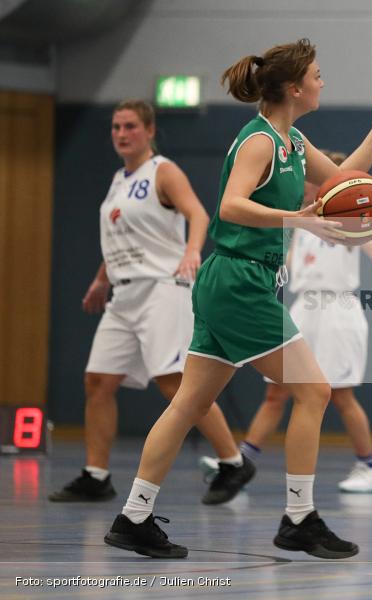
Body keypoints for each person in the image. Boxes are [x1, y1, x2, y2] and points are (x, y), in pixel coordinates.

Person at [103, 39, 372, 560]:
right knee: (314, 390)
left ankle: (133, 516)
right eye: (317, 74)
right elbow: (231, 205)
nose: (322, 81)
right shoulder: (260, 142)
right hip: (239, 279)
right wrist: (298, 218)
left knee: (190, 403)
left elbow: (342, 180)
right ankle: (299, 517)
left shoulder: (291, 141)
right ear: (294, 88)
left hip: (238, 280)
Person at [49, 99, 254, 506]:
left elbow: (198, 215)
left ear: (149, 130)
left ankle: (233, 462)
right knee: (98, 381)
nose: (121, 134)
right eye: (115, 127)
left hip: (163, 288)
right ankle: (96, 475)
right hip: (124, 293)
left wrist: (192, 251)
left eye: (129, 126)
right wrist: (99, 279)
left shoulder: (163, 171)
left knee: (176, 383)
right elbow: (121, 240)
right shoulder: (118, 181)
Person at [200, 150, 372, 494]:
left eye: (314, 179)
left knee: (341, 395)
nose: (307, 184)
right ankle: (241, 462)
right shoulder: (300, 222)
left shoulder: (349, 217)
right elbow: (290, 260)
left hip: (337, 310)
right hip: (303, 310)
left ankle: (370, 466)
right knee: (275, 392)